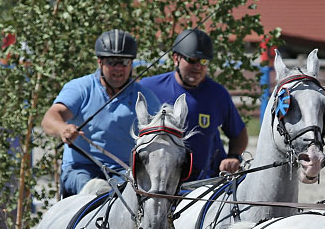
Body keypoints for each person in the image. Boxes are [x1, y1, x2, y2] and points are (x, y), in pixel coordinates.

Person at [42, 29, 161, 195]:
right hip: (80, 171)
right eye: (112, 62)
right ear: (100, 62)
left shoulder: (144, 96)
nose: (118, 68)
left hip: (123, 173)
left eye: (124, 62)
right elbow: (50, 118)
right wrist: (63, 128)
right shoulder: (81, 88)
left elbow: (161, 131)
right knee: (96, 189)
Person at [141, 29, 247, 181]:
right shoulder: (149, 88)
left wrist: (233, 157)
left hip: (206, 184)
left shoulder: (217, 94)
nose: (198, 67)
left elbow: (239, 134)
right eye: (192, 60)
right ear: (176, 58)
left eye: (203, 61)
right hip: (161, 183)